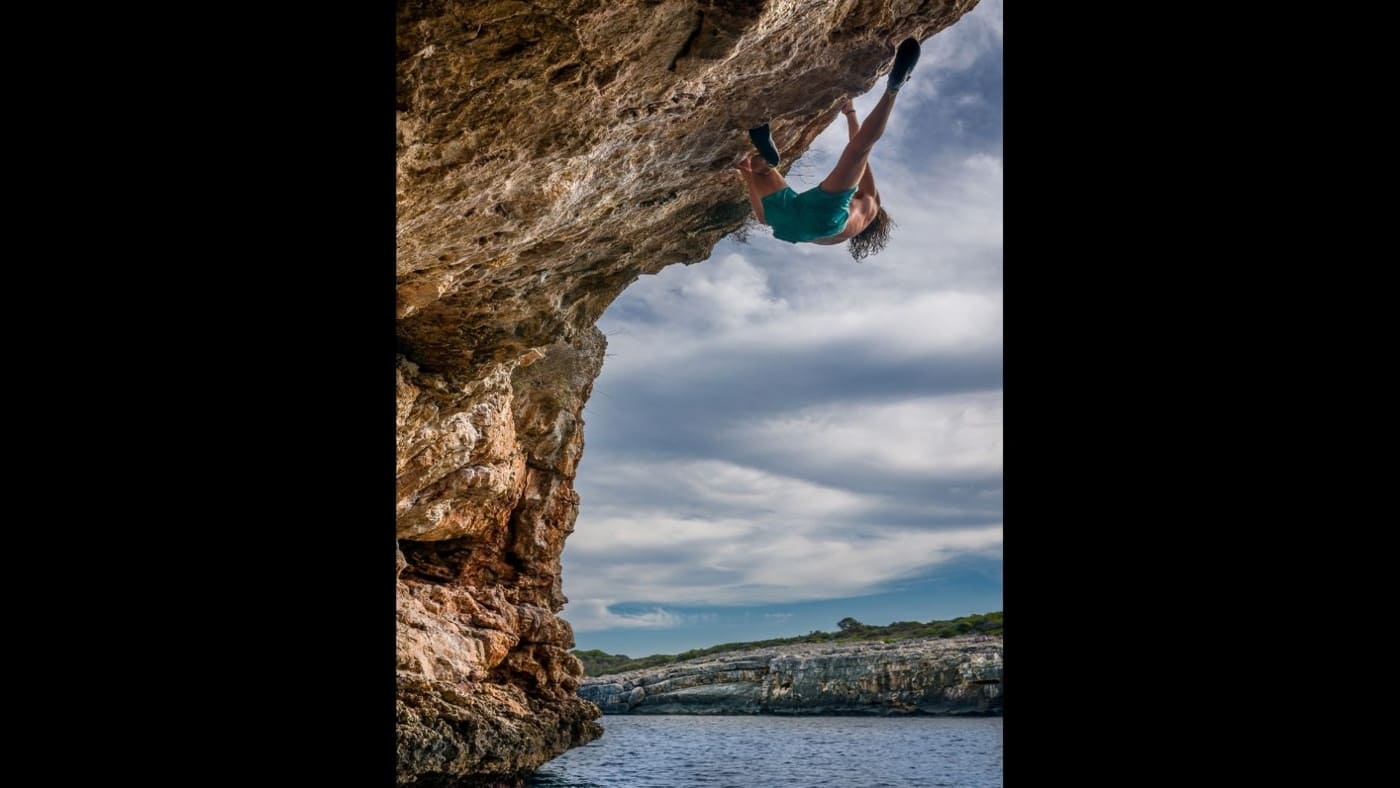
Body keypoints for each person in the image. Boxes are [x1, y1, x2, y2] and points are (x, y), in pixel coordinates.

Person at [735, 37, 920, 261]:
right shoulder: (838, 238)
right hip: (789, 229)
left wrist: (850, 113)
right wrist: (746, 174)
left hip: (826, 218)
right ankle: (764, 164)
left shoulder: (871, 208)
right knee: (758, 167)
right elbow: (764, 219)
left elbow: (860, 151)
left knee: (858, 150)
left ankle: (893, 89)